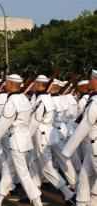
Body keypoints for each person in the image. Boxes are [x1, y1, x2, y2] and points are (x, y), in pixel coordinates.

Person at [0, 74, 43, 206]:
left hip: (17, 142)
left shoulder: (12, 101)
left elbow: (1, 125)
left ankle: (38, 202)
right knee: (8, 172)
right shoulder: (23, 98)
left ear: (12, 84)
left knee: (24, 175)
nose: (4, 85)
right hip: (24, 140)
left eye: (7, 83)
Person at [29, 75, 75, 205]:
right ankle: (34, 194)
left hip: (41, 135)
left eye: (34, 83)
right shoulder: (48, 98)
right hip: (50, 133)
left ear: (38, 85)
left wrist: (26, 138)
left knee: (46, 168)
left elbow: (35, 121)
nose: (32, 86)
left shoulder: (42, 100)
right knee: (34, 164)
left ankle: (68, 193)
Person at [62, 70, 97, 206]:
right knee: (84, 177)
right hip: (91, 145)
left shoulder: (94, 102)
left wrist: (67, 150)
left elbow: (85, 126)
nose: (89, 82)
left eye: (91, 79)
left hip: (94, 145)